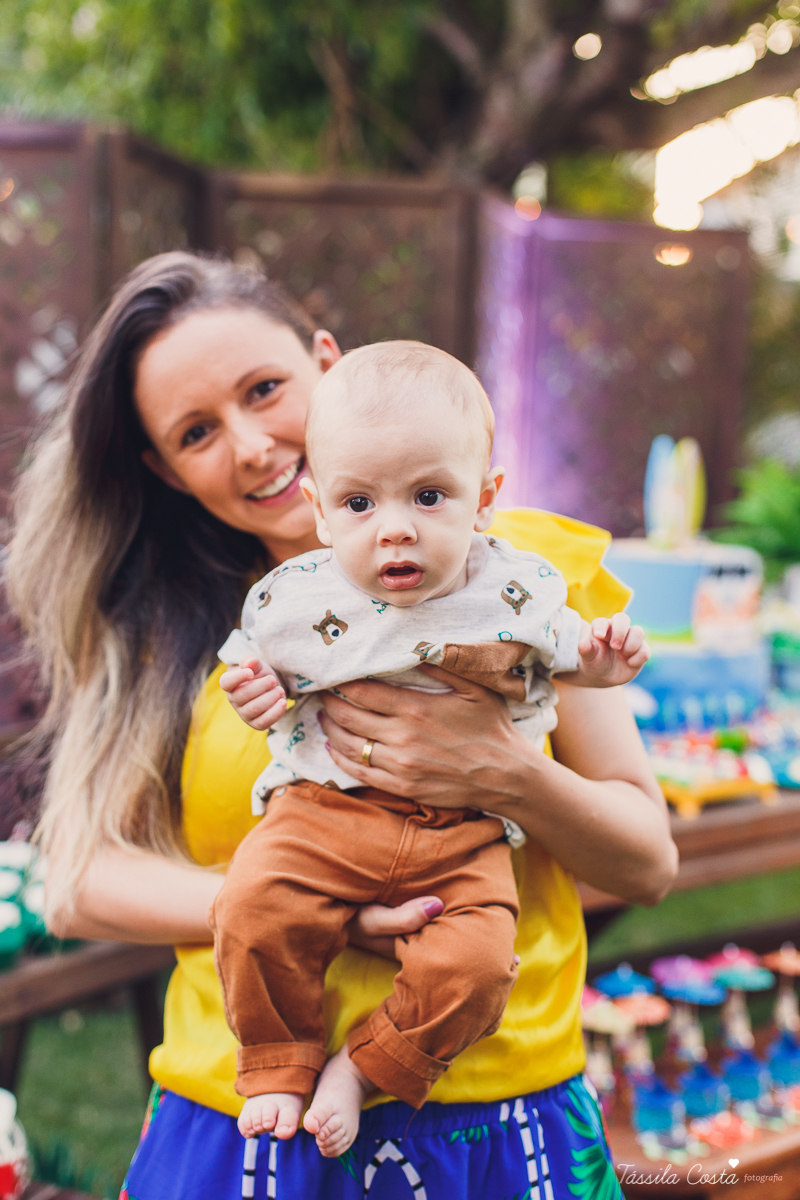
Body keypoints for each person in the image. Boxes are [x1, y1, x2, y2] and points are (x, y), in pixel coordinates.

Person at [5, 251, 677, 1200]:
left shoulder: (527, 577)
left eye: (265, 389)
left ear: (328, 361)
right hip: (238, 1115)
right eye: (197, 432)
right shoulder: (177, 628)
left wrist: (502, 771)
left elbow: (647, 863)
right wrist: (316, 911)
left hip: (497, 1109)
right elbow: (78, 880)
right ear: (163, 468)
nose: (249, 445)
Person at [214, 340, 651, 1156]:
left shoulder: (514, 589)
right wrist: (259, 695)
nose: (394, 532)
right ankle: (276, 1059)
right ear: (318, 511)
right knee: (251, 907)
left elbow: (570, 658)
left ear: (483, 500)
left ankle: (366, 1065)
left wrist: (604, 661)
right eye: (357, 505)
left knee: (480, 967)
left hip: (466, 838)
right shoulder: (299, 600)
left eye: (427, 496)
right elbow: (260, 672)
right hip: (322, 815)